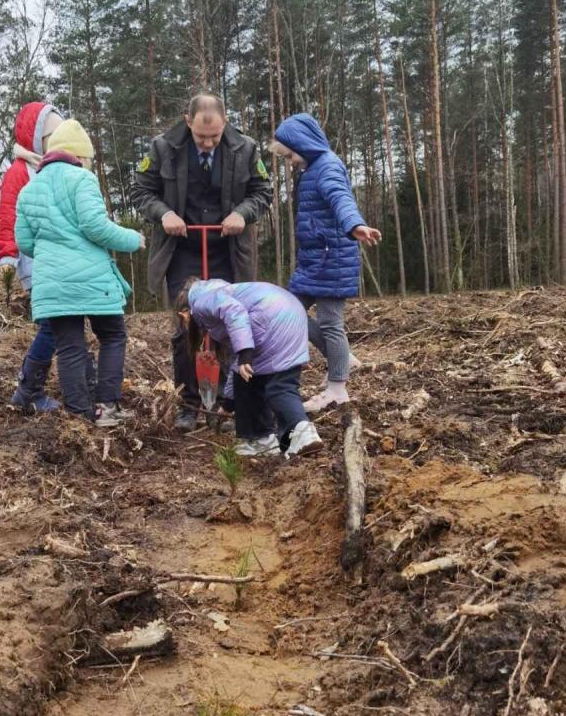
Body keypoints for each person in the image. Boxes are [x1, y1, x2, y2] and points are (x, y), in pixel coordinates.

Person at [131, 93, 272, 431]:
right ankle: (189, 404)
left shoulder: (246, 149)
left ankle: (228, 405)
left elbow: (262, 192)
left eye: (215, 136)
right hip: (182, 251)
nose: (208, 143)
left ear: (225, 123)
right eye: (200, 137)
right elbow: (141, 193)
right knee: (186, 329)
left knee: (230, 326)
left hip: (229, 251)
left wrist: (242, 213)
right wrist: (164, 214)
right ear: (187, 120)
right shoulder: (163, 148)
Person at [14, 119, 144, 427]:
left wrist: (53, 254)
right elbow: (94, 226)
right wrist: (132, 239)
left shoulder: (29, 189)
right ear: (80, 157)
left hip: (52, 286)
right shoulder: (82, 180)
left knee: (70, 347)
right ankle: (107, 407)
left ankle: (80, 417)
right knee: (112, 336)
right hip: (92, 282)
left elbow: (25, 242)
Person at [272, 114, 381, 411]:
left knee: (331, 323)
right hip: (314, 260)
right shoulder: (311, 168)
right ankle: (341, 358)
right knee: (288, 309)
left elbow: (340, 198)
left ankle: (337, 388)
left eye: (291, 154)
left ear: (304, 145)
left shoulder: (327, 167)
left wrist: (354, 225)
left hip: (332, 258)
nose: (291, 161)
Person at [175, 279, 322, 458]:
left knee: (274, 387)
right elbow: (237, 366)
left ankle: (287, 434)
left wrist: (245, 352)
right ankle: (280, 437)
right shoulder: (227, 292)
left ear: (184, 313)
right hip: (292, 315)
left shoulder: (202, 301)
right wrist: (229, 404)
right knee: (275, 383)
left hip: (270, 320)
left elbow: (234, 312)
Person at [0, 101, 64, 413]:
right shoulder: (20, 172)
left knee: (66, 324)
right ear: (34, 137)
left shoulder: (59, 170)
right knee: (52, 325)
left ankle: (75, 381)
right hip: (35, 264)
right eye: (52, 134)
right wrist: (7, 256)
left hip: (61, 263)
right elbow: (7, 216)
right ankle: (29, 390)